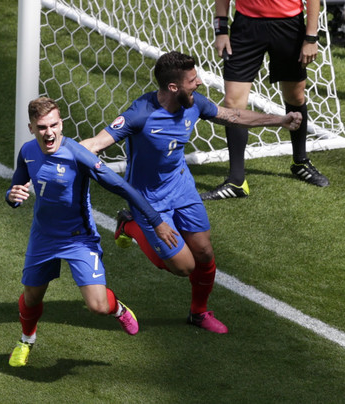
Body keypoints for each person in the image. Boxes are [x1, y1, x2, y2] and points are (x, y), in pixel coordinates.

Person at [80, 51, 302, 334]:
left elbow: (232, 115)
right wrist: (61, 152)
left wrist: (279, 120)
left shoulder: (194, 104)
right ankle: (130, 224)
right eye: (192, 79)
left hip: (182, 189)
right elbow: (97, 143)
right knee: (183, 267)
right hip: (150, 201)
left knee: (205, 253)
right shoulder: (141, 113)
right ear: (173, 87)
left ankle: (199, 313)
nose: (199, 83)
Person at [6, 97, 179, 367]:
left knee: (98, 306)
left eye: (53, 125)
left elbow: (121, 186)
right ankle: (26, 340)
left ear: (61, 124)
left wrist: (156, 220)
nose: (49, 132)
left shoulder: (78, 155)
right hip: (43, 237)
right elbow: (17, 186)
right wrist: (12, 196)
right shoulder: (27, 151)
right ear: (31, 128)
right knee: (31, 297)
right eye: (41, 127)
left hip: (78, 238)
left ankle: (119, 309)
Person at [201, 0, 328, 201]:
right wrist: (221, 30)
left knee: (295, 96)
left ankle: (300, 162)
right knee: (233, 102)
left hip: (289, 27)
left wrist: (311, 38)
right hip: (246, 27)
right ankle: (236, 181)